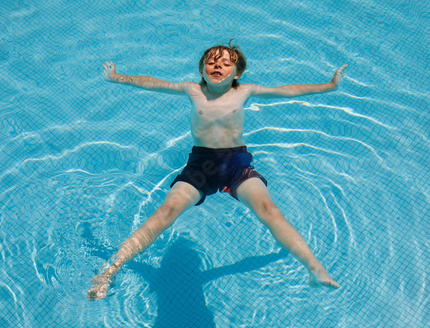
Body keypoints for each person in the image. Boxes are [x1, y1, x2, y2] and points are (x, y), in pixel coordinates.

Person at [87, 42, 347, 300]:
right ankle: (108, 271)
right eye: (211, 62)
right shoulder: (192, 90)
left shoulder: (245, 91)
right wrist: (118, 77)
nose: (217, 66)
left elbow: (289, 90)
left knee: (269, 210)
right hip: (201, 165)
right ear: (201, 69)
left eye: (225, 63)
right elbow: (153, 82)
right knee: (167, 211)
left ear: (237, 73)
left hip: (237, 164)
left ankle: (314, 267)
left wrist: (329, 85)